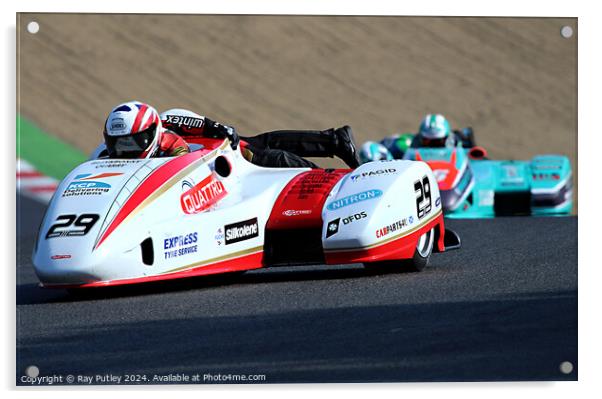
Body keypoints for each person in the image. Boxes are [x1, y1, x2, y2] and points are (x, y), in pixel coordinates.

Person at [103, 101, 360, 168]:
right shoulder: (106, 156)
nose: (126, 149)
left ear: (152, 132)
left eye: (133, 141)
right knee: (262, 141)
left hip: (213, 157)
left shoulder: (169, 129)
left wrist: (219, 130)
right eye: (119, 143)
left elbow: (208, 128)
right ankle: (333, 140)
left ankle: (325, 178)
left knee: (258, 153)